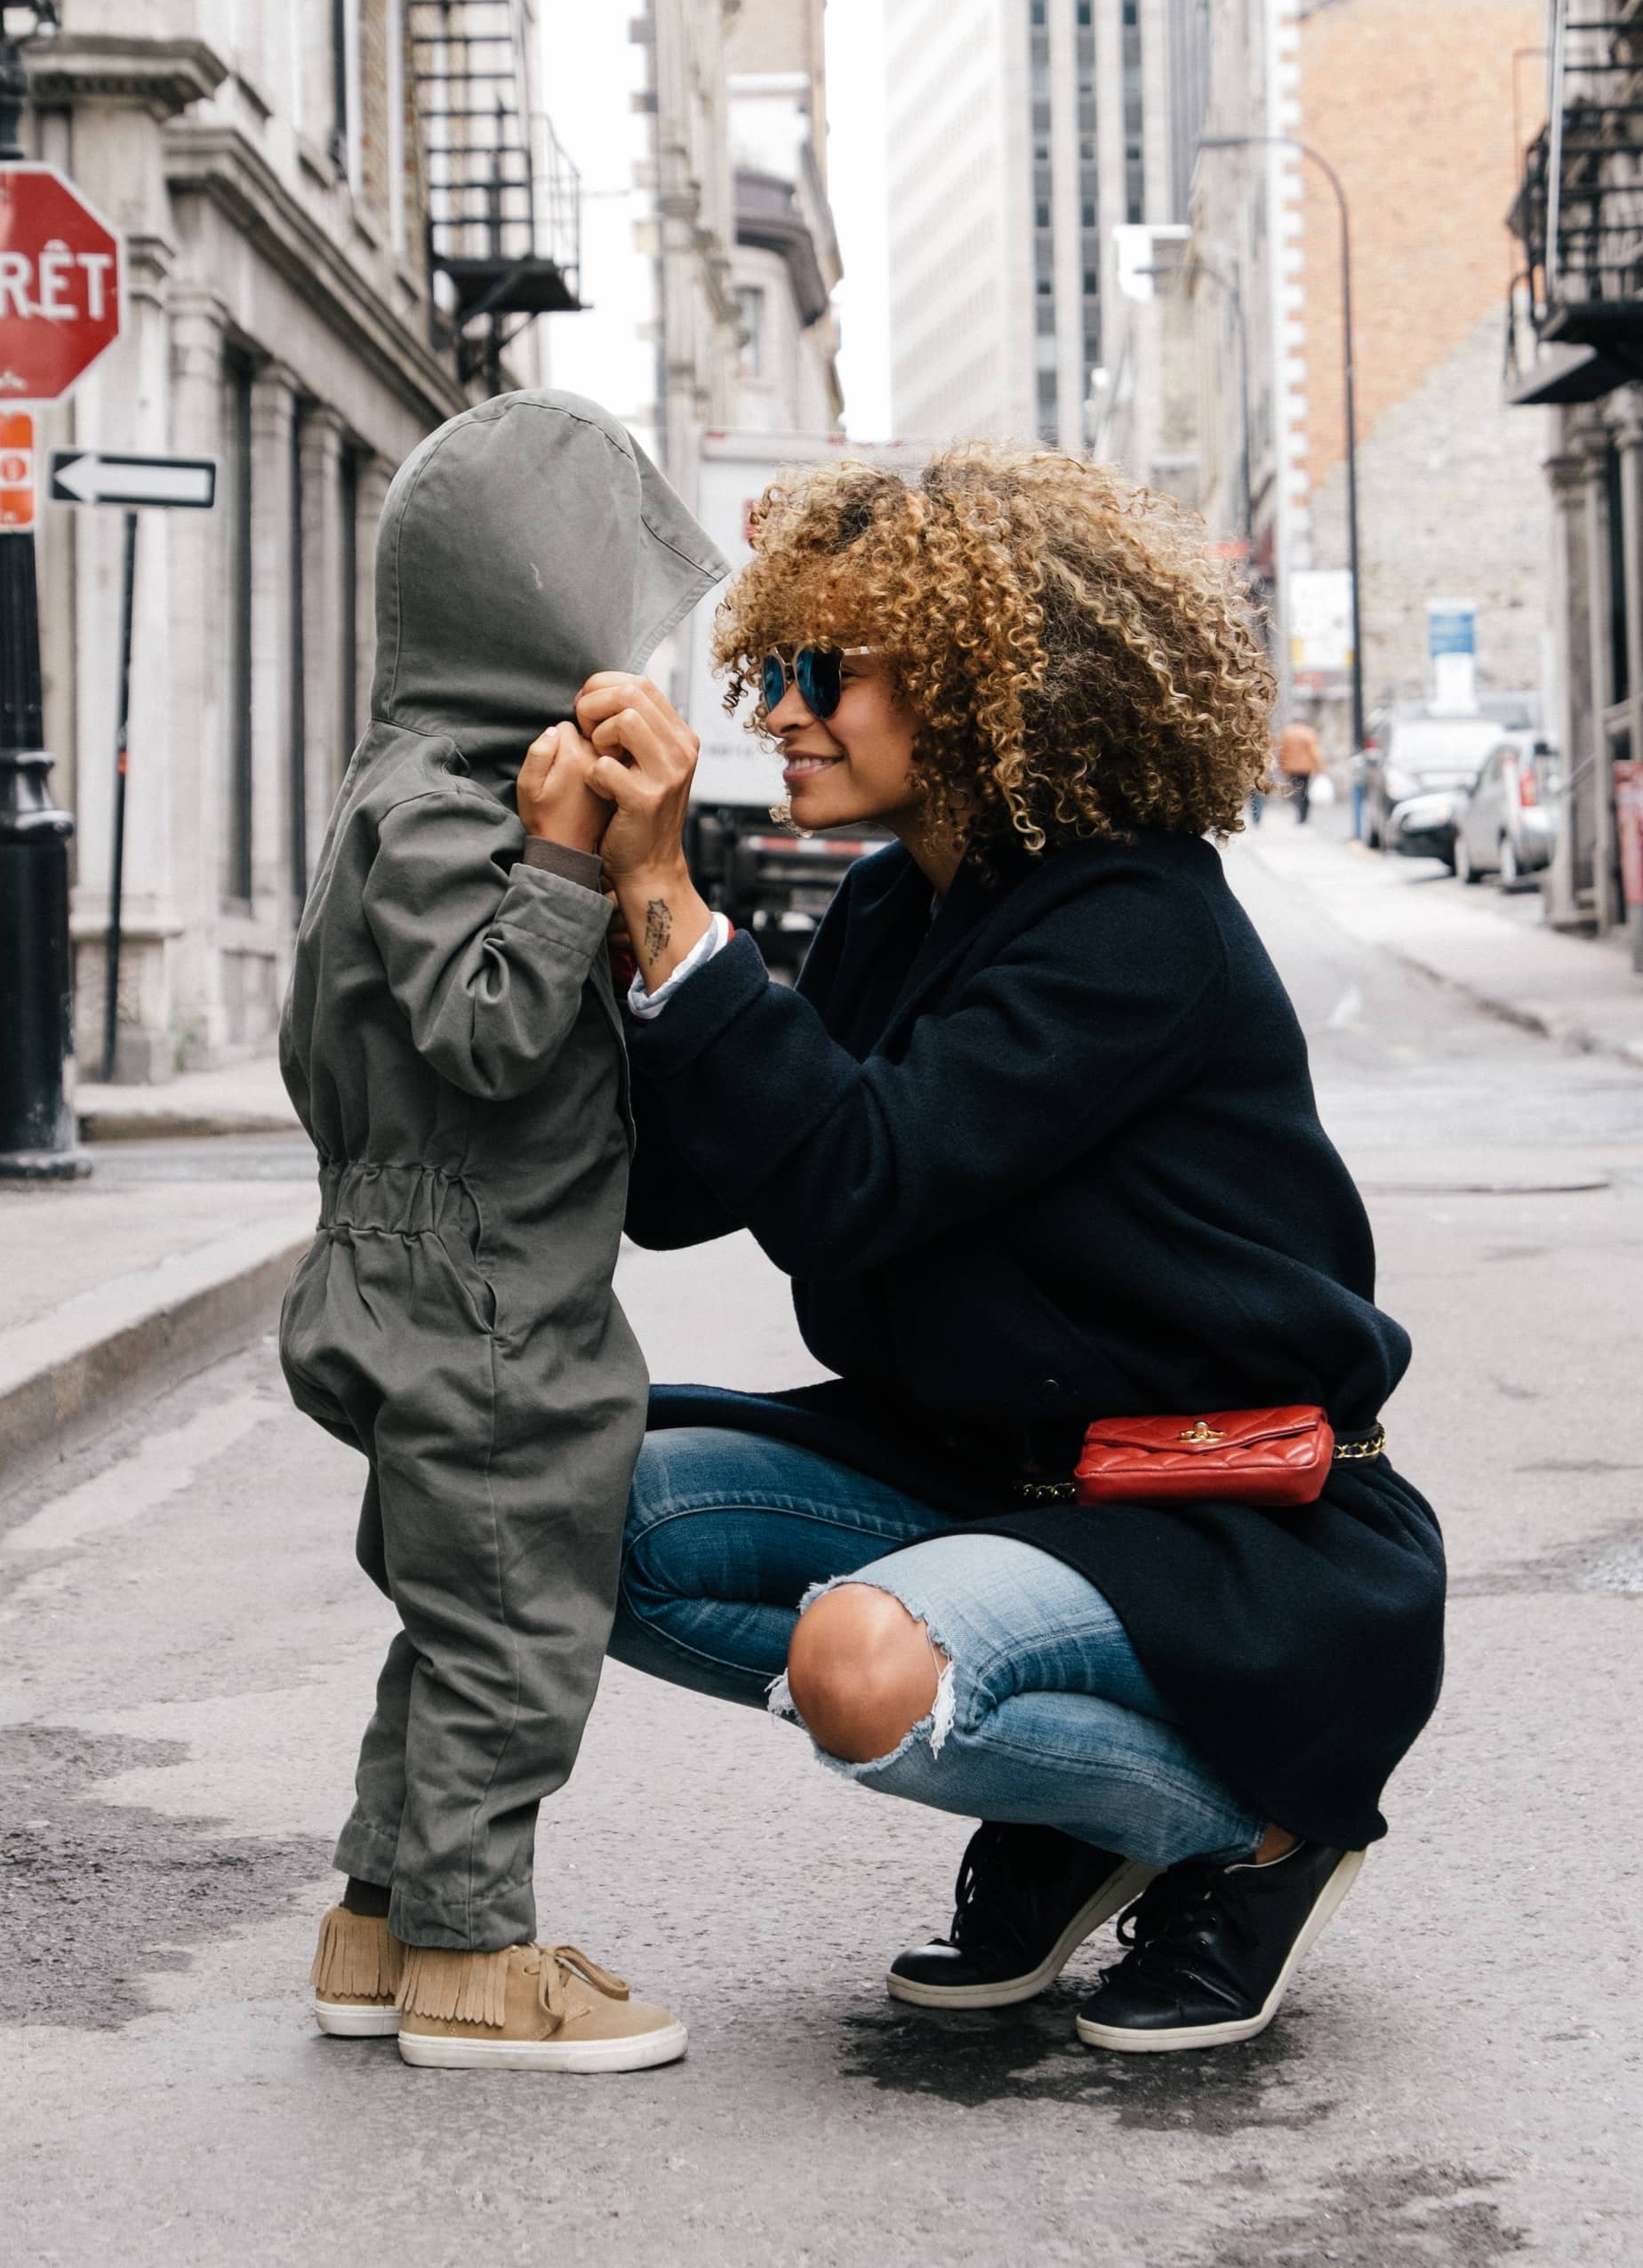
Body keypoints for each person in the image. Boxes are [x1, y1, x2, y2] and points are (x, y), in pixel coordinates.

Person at [578, 442, 1445, 2055]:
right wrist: (599, 898)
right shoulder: (894, 910)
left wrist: (675, 906)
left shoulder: (1134, 923)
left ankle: (1247, 1827)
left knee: (863, 1671)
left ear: (981, 678)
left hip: (1224, 1522)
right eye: (768, 668)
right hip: (984, 1473)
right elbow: (690, 1187)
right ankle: (1082, 1804)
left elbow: (855, 1177)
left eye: (821, 673)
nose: (775, 712)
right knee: (568, 1518)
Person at [277, 389, 723, 2071]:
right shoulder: (463, 808)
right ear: (529, 610)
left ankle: (381, 1925)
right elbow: (483, 1030)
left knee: (451, 1619)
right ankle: (477, 1963)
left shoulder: (401, 785)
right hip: (484, 1301)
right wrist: (561, 867)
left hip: (413, 1272)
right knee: (521, 1632)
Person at [1278, 716, 1324, 823]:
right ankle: (1304, 815)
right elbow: (1314, 751)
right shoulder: (1308, 732)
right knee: (1305, 790)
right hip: (1306, 767)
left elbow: (1282, 751)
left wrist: (1282, 766)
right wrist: (1319, 765)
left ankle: (1299, 813)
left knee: (1296, 790)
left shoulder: (1287, 733)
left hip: (1291, 767)